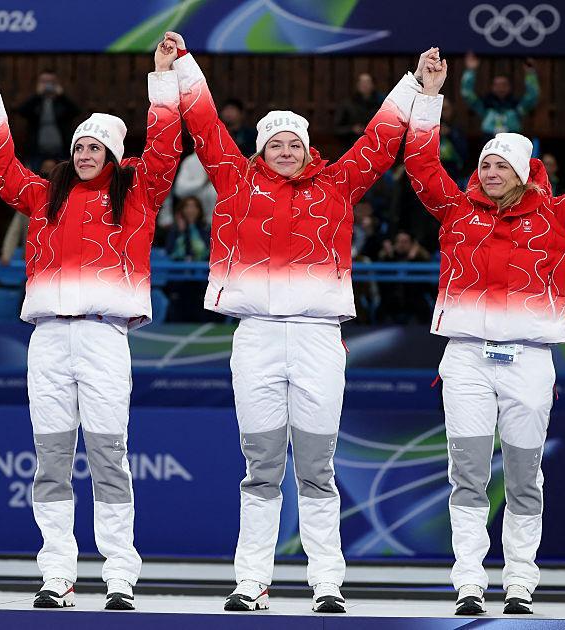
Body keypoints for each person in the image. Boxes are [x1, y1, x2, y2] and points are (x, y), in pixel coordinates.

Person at [167, 30, 435, 613]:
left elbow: (380, 140)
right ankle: (251, 582)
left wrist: (416, 86)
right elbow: (208, 128)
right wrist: (182, 65)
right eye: (275, 143)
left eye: (294, 143)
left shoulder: (337, 185)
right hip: (256, 337)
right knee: (259, 468)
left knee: (317, 467)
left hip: (317, 338)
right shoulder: (236, 181)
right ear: (260, 150)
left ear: (308, 148)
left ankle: (327, 583)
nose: (286, 151)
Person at [404, 56, 565, 616]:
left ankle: (519, 583)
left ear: (524, 171)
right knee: (467, 474)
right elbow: (419, 162)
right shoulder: (456, 212)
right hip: (464, 360)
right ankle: (467, 581)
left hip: (530, 361)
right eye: (484, 164)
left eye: (499, 165)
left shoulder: (555, 216)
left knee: (522, 474)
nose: (488, 171)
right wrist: (428, 93)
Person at [0, 40, 181, 611]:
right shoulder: (45, 196)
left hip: (103, 335)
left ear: (115, 155)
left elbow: (166, 149)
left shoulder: (139, 195)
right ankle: (58, 575)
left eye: (97, 147)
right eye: (80, 147)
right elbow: (0, 171)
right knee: (48, 460)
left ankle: (119, 574)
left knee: (107, 457)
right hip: (47, 338)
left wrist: (163, 78)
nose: (88, 154)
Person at [17, 70, 82, 169]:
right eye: (44, 81)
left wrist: (62, 96)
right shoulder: (36, 102)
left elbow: (76, 111)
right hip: (36, 151)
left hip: (61, 151)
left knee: (64, 178)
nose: (47, 85)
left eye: (51, 82)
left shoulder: (61, 102)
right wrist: (37, 95)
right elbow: (22, 111)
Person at [461, 53, 539, 135]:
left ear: (510, 87)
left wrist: (530, 73)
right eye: (497, 85)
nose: (500, 88)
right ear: (492, 87)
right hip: (489, 142)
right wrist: (470, 71)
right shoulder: (484, 106)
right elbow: (467, 93)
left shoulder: (517, 106)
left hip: (511, 143)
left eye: (504, 85)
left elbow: (532, 96)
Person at [334, 72, 385, 146]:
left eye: (367, 82)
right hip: (352, 146)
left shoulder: (381, 104)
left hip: (375, 145)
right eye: (362, 82)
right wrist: (352, 129)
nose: (364, 85)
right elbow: (337, 129)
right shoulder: (347, 104)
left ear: (373, 85)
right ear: (357, 85)